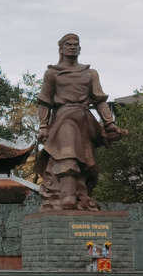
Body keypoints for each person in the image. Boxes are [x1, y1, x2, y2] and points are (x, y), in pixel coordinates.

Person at [35, 33, 127, 211]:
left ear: (80, 48)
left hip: (85, 121)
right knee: (67, 156)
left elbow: (99, 100)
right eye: (68, 44)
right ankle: (67, 196)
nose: (73, 47)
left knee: (89, 165)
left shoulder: (90, 73)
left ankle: (81, 197)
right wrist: (43, 126)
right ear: (61, 49)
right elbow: (44, 101)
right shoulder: (52, 73)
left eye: (76, 44)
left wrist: (109, 123)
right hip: (64, 118)